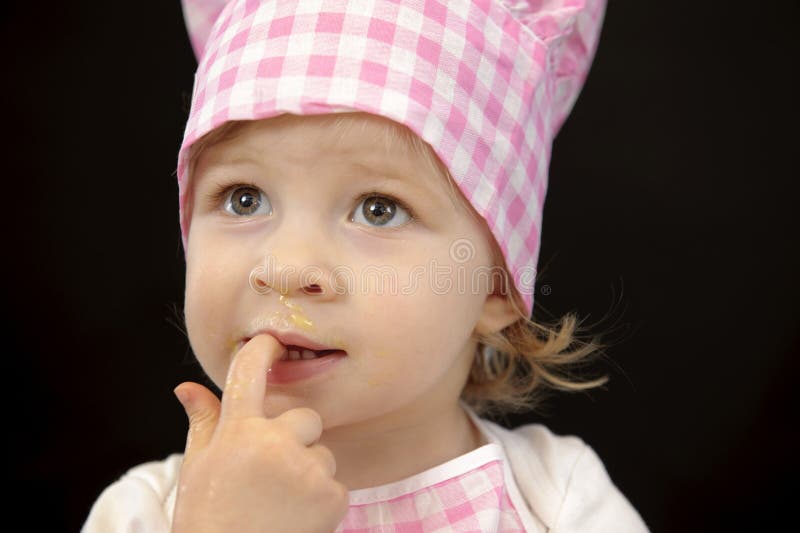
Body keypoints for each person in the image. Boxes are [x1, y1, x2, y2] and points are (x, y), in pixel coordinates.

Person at [83, 0, 649, 531]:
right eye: (244, 198)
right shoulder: (150, 513)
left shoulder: (558, 502)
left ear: (497, 284)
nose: (285, 269)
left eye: (378, 210)